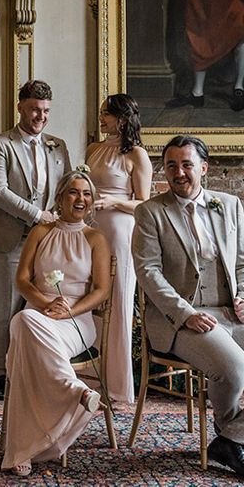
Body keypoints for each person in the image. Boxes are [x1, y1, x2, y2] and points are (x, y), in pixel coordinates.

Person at [133, 135, 244, 478]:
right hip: (180, 320)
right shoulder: (150, 212)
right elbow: (148, 272)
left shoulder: (229, 205)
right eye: (171, 166)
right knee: (235, 366)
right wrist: (185, 313)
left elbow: (242, 263)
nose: (179, 172)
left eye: (187, 164)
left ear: (204, 168)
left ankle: (231, 439)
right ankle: (233, 436)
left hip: (229, 311)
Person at [2, 170, 111, 477]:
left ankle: (22, 448)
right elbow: (22, 280)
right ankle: (74, 391)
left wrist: (70, 311)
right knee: (25, 320)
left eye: (87, 194)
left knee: (24, 331)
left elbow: (102, 291)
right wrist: (45, 303)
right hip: (39, 312)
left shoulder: (96, 238)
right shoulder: (41, 231)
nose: (81, 199)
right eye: (74, 193)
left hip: (77, 322)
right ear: (61, 198)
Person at [0, 79, 71, 400]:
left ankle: (32, 367)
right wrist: (37, 215)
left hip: (48, 242)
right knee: (6, 304)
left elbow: (66, 188)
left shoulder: (57, 145)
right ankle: (0, 372)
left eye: (46, 110)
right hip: (10, 239)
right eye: (35, 108)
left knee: (42, 302)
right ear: (20, 106)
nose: (41, 115)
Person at [85, 93, 152, 403]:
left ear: (122, 119)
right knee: (92, 300)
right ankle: (91, 375)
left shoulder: (136, 154)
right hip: (91, 231)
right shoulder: (93, 150)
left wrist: (113, 201)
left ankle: (117, 387)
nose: (102, 119)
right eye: (101, 113)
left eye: (106, 114)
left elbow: (145, 204)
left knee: (119, 302)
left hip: (121, 232)